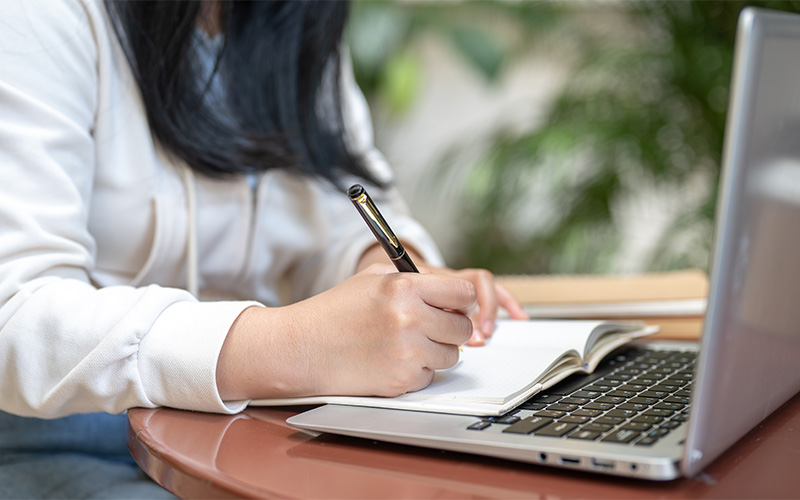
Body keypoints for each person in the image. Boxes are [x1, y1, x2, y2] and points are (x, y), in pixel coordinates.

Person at [0, 0, 527, 497]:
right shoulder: (42, 17)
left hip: (251, 436)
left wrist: (395, 282)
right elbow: (14, 314)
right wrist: (293, 344)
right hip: (59, 447)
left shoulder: (293, 16)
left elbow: (336, 207)